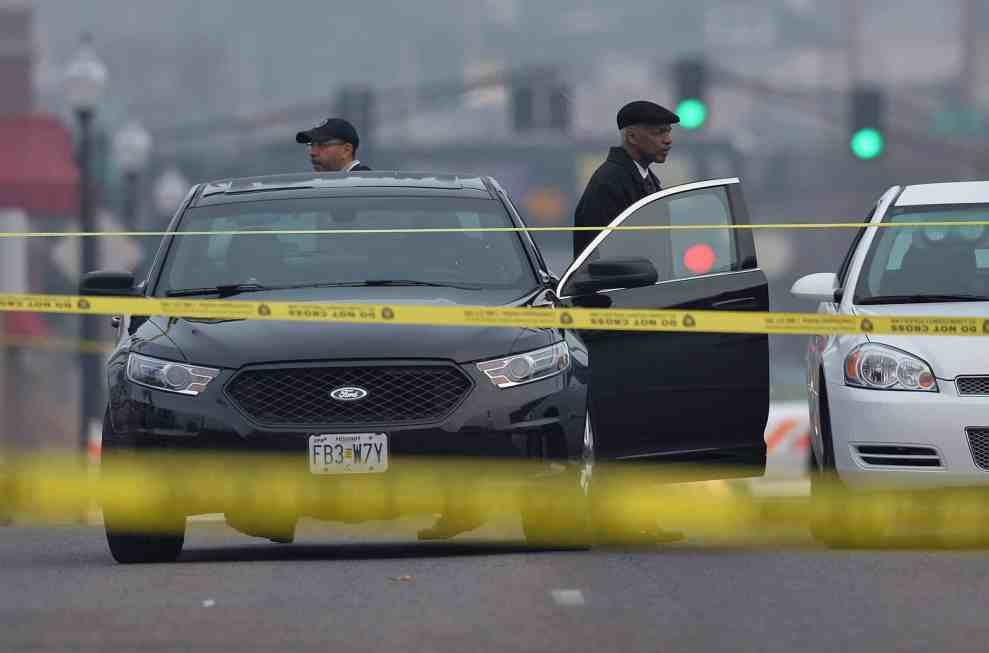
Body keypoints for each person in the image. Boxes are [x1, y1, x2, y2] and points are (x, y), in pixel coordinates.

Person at [572, 100, 678, 259]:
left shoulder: (643, 179)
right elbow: (602, 258)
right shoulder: (609, 183)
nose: (668, 140)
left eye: (668, 131)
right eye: (658, 132)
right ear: (632, 137)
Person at [295, 117, 372, 172]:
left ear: (346, 150)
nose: (312, 153)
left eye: (322, 145)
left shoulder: (364, 185)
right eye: (311, 145)